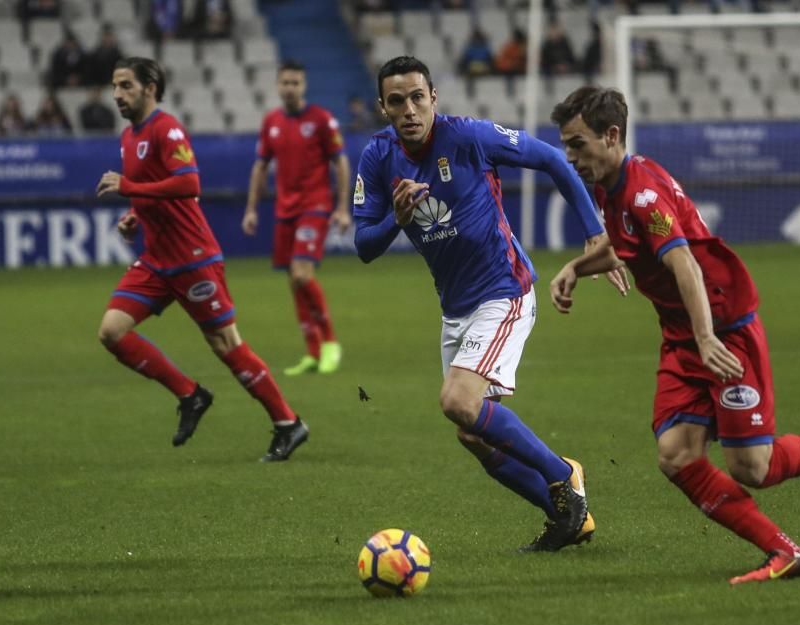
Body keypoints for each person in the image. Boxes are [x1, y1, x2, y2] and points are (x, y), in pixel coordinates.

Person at [548, 86, 800, 583]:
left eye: (577, 144)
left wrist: (708, 337)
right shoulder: (615, 185)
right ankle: (785, 552)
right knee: (676, 456)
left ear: (611, 136)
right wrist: (576, 267)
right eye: (565, 145)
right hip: (684, 336)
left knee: (752, 468)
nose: (571, 156)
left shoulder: (641, 192)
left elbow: (684, 263)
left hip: (724, 332)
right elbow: (627, 246)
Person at [353, 56, 628, 551]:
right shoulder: (377, 157)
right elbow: (364, 246)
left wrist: (594, 233)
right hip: (456, 307)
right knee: (473, 434)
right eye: (397, 101)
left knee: (458, 402)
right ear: (383, 108)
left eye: (418, 97)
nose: (410, 109)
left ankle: (564, 474)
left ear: (434, 97)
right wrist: (395, 218)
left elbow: (548, 158)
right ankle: (567, 518)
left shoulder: (469, 137)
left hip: (504, 289)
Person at [95, 57, 309, 463]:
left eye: (125, 86)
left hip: (193, 258)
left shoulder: (166, 127)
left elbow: (189, 181)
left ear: (150, 88)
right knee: (112, 331)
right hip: (156, 260)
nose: (117, 94)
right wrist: (135, 215)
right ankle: (190, 394)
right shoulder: (129, 136)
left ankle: (287, 423)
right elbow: (154, 188)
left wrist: (129, 187)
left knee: (225, 343)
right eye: (115, 86)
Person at [242, 61, 350, 376]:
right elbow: (260, 166)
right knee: (293, 280)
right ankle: (313, 352)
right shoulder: (271, 122)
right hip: (284, 210)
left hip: (314, 206)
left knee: (302, 274)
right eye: (285, 82)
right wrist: (251, 208)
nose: (290, 87)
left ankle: (330, 342)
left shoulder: (321, 120)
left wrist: (342, 207)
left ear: (304, 86)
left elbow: (340, 163)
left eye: (296, 82)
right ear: (277, 85)